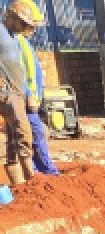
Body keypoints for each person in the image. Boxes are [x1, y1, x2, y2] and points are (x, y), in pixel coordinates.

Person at [1, 0, 43, 186]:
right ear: (13, 17)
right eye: (24, 24)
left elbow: (19, 68)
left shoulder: (13, 37)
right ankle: (31, 179)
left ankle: (19, 186)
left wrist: (27, 93)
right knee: (23, 131)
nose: (25, 28)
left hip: (17, 92)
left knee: (13, 138)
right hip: (6, 92)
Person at [16, 24, 58, 175]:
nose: (34, 30)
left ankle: (38, 169)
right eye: (32, 26)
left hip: (31, 98)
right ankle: (46, 171)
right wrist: (28, 95)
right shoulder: (15, 42)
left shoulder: (23, 42)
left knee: (36, 132)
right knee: (36, 132)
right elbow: (18, 72)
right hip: (24, 98)